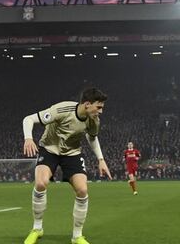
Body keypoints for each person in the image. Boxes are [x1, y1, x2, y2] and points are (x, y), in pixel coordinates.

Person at [21, 87, 112, 244]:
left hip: (72, 153)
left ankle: (77, 236)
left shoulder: (93, 120)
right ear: (87, 104)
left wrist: (101, 159)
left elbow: (92, 137)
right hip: (49, 149)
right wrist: (28, 138)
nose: (101, 111)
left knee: (82, 190)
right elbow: (28, 119)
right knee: (41, 183)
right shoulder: (62, 109)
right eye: (99, 107)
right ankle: (37, 228)